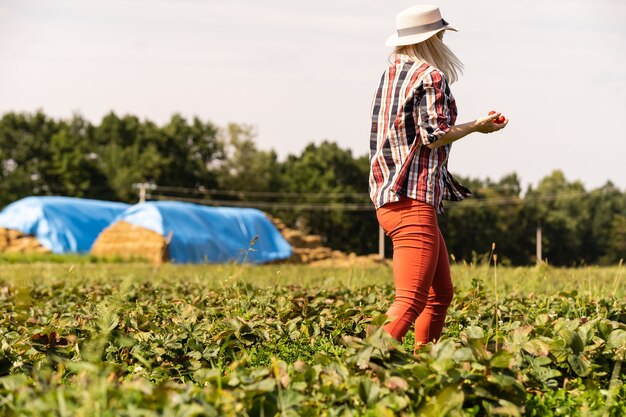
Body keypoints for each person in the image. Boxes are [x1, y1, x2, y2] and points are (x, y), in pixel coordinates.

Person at [369, 5, 508, 353]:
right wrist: (477, 125)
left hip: (389, 194)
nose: (445, 41)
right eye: (442, 35)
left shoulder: (391, 74)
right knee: (412, 299)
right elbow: (434, 134)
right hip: (412, 198)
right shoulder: (429, 76)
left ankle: (423, 366)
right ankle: (361, 369)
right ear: (432, 38)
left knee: (439, 294)